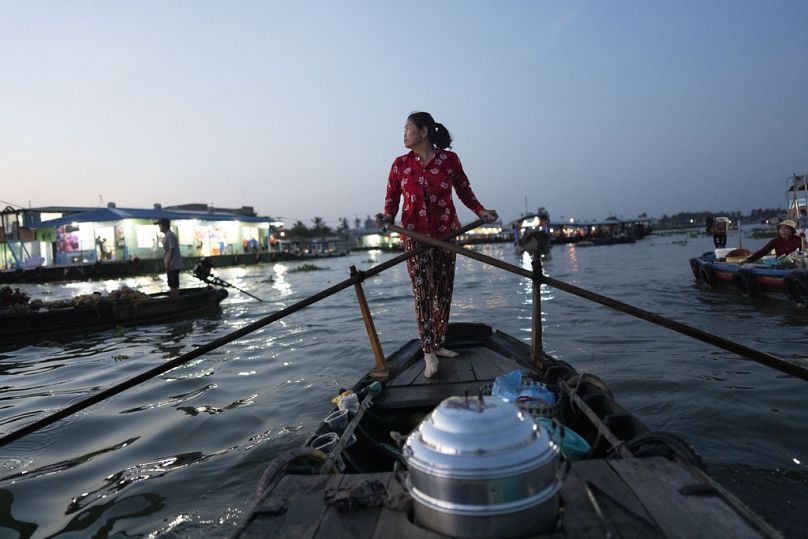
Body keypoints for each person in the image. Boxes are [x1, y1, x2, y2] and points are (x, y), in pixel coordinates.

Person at [377, 111, 498, 378]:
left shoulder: (449, 160)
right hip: (415, 238)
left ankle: (439, 342)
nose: (404, 134)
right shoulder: (400, 164)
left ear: (424, 132)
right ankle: (428, 351)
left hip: (445, 235)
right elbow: (391, 199)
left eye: (408, 128)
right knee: (422, 293)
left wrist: (481, 211)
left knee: (442, 292)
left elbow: (464, 191)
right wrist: (386, 217)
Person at [155, 218, 184, 297]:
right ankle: (174, 299)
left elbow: (172, 249)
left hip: (173, 265)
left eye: (160, 225)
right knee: (172, 284)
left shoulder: (169, 235)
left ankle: (175, 301)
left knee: (173, 285)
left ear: (164, 226)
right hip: (172, 265)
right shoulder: (168, 235)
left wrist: (167, 263)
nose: (159, 227)